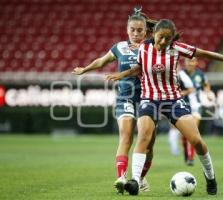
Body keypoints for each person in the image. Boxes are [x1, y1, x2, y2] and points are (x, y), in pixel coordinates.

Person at [106, 19, 223, 196]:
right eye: (161, 38)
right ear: (154, 35)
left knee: (197, 141)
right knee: (143, 136)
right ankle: (135, 181)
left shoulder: (177, 48)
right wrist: (122, 74)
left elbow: (204, 53)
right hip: (149, 99)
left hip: (173, 100)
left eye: (168, 38)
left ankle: (211, 177)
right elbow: (138, 68)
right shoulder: (143, 47)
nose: (164, 42)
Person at [72, 9, 157, 194]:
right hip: (125, 97)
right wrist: (84, 69)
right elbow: (102, 61)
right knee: (126, 136)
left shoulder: (152, 47)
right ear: (127, 30)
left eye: (140, 30)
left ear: (146, 31)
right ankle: (121, 177)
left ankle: (140, 178)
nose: (136, 34)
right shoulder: (119, 47)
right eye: (132, 30)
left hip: (148, 99)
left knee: (149, 144)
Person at [168, 57, 213, 166]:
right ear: (185, 62)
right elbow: (174, 90)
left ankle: (190, 158)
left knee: (193, 132)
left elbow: (206, 85)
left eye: (192, 61)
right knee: (185, 133)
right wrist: (185, 92)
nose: (190, 63)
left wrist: (208, 93)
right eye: (188, 61)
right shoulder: (180, 75)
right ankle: (185, 152)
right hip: (182, 105)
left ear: (196, 62)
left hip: (196, 106)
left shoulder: (200, 74)